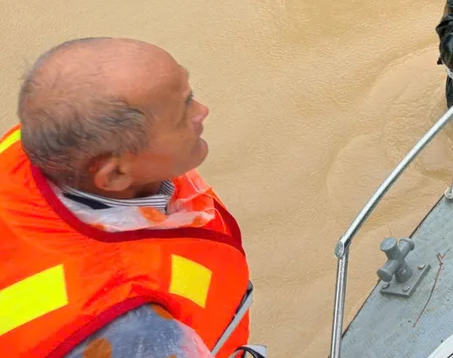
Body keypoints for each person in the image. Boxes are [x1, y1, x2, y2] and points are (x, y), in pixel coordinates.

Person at [0, 38, 259, 358]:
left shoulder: (46, 146)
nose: (202, 112)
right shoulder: (136, 333)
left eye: (189, 95)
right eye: (183, 112)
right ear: (114, 176)